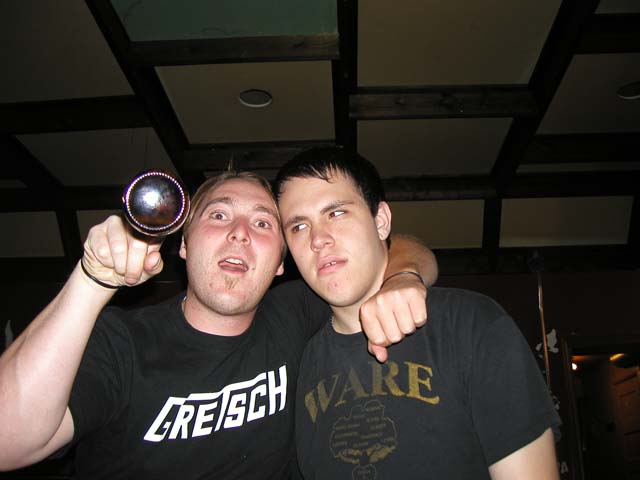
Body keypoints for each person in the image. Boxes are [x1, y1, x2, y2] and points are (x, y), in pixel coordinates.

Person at [0, 170, 437, 479]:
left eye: (262, 223)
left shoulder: (293, 314)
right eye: (219, 215)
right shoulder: (121, 343)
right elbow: (8, 442)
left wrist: (403, 276)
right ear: (184, 244)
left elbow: (393, 245)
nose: (240, 233)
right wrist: (91, 280)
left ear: (281, 263)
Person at [273, 147, 562, 479]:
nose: (318, 239)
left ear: (381, 221)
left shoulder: (469, 323)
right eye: (298, 226)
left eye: (336, 213)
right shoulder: (294, 363)